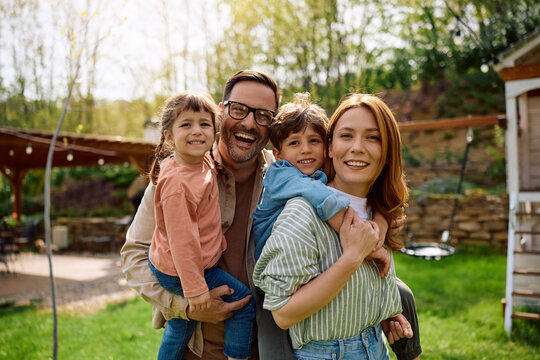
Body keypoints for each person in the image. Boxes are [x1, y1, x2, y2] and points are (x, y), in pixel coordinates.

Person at [121, 70, 420, 360]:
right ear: (221, 112)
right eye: (239, 110)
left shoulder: (290, 168)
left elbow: (358, 191)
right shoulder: (182, 174)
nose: (250, 122)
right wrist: (186, 306)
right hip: (201, 347)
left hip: (274, 344)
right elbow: (135, 255)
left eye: (263, 115)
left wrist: (375, 304)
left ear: (272, 126)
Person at [253, 93, 417, 359]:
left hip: (374, 346)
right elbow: (282, 313)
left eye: (372, 137)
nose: (357, 147)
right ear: (332, 147)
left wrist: (377, 310)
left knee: (404, 295)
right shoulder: (300, 201)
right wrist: (356, 252)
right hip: (321, 346)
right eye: (346, 135)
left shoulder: (372, 207)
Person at [147, 90, 255, 360]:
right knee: (242, 305)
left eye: (204, 124)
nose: (197, 131)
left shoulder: (199, 160)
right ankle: (236, 356)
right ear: (168, 136)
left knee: (181, 324)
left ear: (215, 132)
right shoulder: (178, 186)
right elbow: (183, 244)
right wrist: (195, 293)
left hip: (172, 262)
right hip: (181, 269)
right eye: (186, 124)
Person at [252, 93, 392, 276]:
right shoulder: (280, 174)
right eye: (294, 142)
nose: (306, 149)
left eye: (314, 141)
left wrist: (381, 221)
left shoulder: (319, 174)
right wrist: (367, 244)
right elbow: (321, 197)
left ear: (326, 147)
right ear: (278, 155)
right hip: (275, 271)